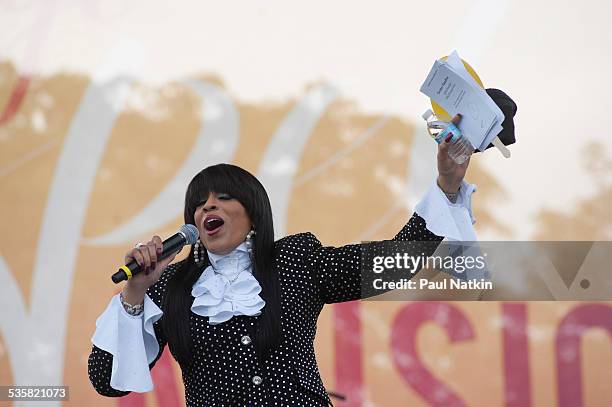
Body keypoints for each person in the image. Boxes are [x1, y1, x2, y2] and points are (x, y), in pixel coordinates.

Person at [88, 115, 476, 406]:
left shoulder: (294, 261)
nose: (209, 204)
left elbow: (391, 263)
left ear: (253, 213)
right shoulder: (168, 286)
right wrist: (135, 291)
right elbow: (107, 380)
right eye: (199, 202)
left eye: (223, 197)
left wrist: (447, 184)